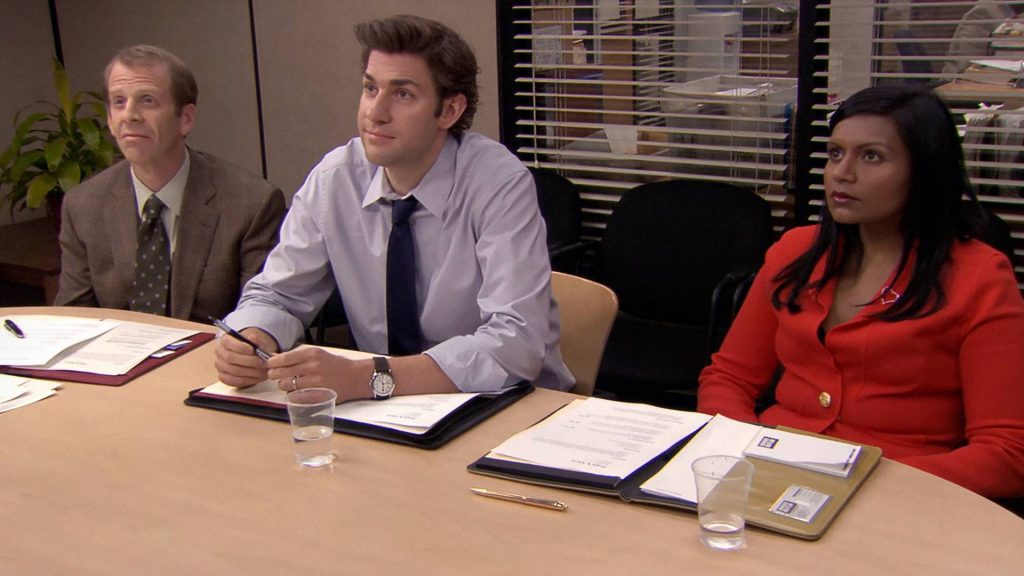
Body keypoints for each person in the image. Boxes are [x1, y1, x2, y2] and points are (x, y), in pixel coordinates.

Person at [214, 15, 574, 400]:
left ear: (449, 111)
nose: (375, 112)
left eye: (402, 94)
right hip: (384, 407)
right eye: (370, 88)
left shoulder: (498, 184)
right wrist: (252, 336)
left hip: (503, 402)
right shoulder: (336, 179)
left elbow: (517, 343)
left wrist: (369, 377)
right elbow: (278, 295)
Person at [697, 85, 1024, 499]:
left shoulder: (979, 277)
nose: (842, 173)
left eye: (871, 156)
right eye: (836, 153)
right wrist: (745, 449)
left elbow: (1007, 453)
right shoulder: (796, 252)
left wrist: (858, 482)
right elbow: (729, 377)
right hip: (772, 474)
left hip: (901, 493)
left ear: (924, 171)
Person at [55, 45, 286, 323]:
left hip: (211, 359)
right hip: (118, 359)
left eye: (147, 100)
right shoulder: (83, 205)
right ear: (109, 118)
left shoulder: (251, 203)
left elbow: (260, 316)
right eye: (118, 102)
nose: (130, 115)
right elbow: (74, 318)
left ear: (186, 118)